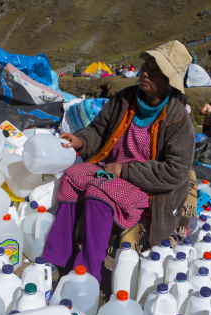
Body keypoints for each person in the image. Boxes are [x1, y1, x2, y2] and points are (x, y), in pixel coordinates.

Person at [41, 40, 195, 283]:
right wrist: (80, 141)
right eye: (146, 65)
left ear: (168, 81)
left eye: (155, 70)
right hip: (110, 170)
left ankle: (88, 272)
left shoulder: (177, 120)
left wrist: (125, 170)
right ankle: (58, 257)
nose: (145, 72)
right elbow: (99, 130)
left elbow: (175, 171)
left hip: (146, 185)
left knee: (98, 193)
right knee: (72, 178)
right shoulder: (124, 99)